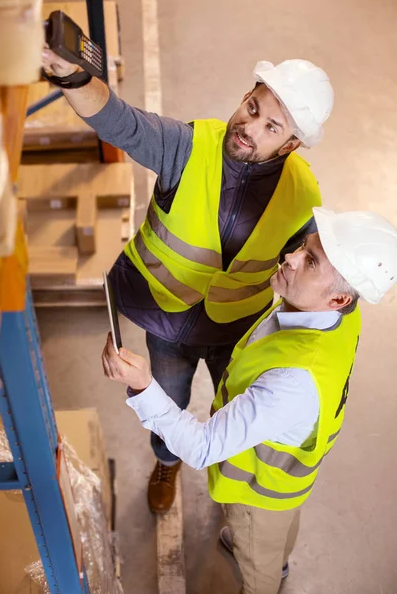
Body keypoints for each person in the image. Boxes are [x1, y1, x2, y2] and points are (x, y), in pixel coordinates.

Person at [42, 47, 334, 512]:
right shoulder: (188, 146)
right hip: (168, 322)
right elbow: (121, 121)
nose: (248, 128)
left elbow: (315, 273)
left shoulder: (303, 194)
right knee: (165, 404)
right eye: (252, 108)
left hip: (237, 332)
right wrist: (73, 76)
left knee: (232, 416)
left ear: (291, 144)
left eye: (271, 128)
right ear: (245, 96)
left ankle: (227, 479)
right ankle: (167, 463)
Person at [101, 207, 397, 594]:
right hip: (287, 480)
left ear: (339, 297)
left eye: (310, 262)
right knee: (280, 533)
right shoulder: (337, 314)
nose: (289, 258)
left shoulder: (291, 384)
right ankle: (278, 558)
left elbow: (203, 446)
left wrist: (142, 386)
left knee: (258, 565)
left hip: (257, 497)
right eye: (304, 248)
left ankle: (267, 573)